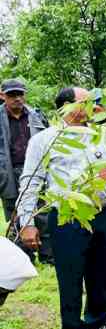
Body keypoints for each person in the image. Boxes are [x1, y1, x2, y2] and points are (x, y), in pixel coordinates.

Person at [17, 87, 106, 329]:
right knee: (70, 272)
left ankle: (100, 321)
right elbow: (30, 182)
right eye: (85, 102)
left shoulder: (104, 135)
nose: (91, 106)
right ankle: (72, 328)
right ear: (66, 107)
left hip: (102, 213)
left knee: (102, 271)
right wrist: (27, 223)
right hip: (68, 217)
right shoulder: (45, 140)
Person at [0, 79, 52, 264]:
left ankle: (48, 254)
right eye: (12, 95)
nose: (17, 98)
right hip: (9, 172)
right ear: (2, 96)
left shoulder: (36, 115)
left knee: (43, 211)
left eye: (20, 94)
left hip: (36, 169)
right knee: (16, 214)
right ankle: (23, 256)